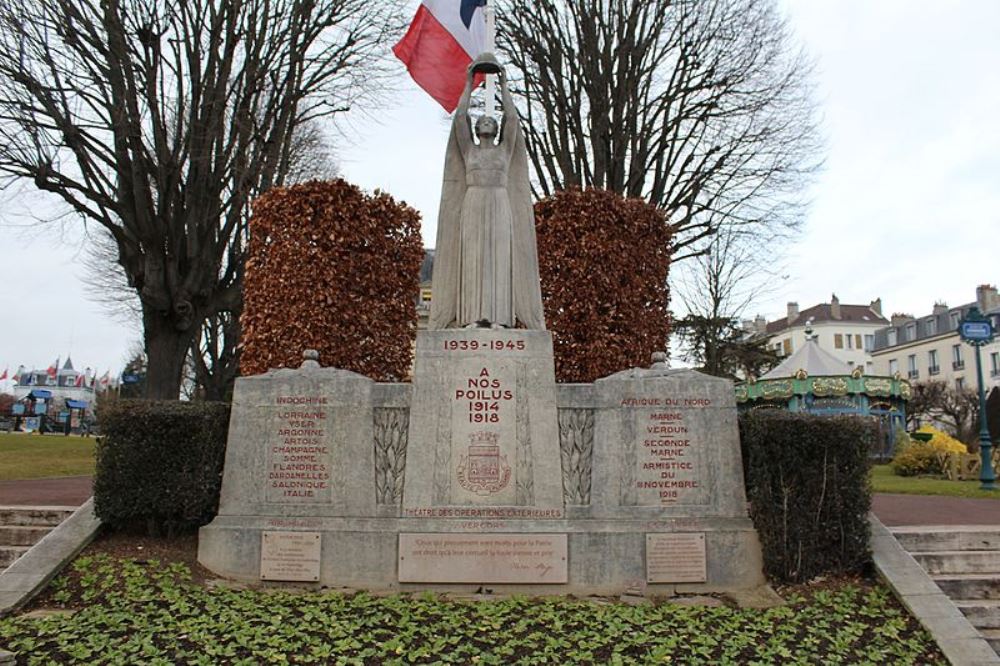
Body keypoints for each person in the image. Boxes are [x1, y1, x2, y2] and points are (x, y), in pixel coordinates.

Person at [428, 53, 545, 330]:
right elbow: (460, 119)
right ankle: (471, 318)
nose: (486, 123)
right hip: (474, 202)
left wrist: (504, 83)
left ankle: (499, 320)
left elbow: (513, 121)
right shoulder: (468, 149)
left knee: (499, 260)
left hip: (500, 202)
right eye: (482, 121)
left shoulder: (505, 150)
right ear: (477, 128)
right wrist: (469, 82)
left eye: (491, 122)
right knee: (472, 260)